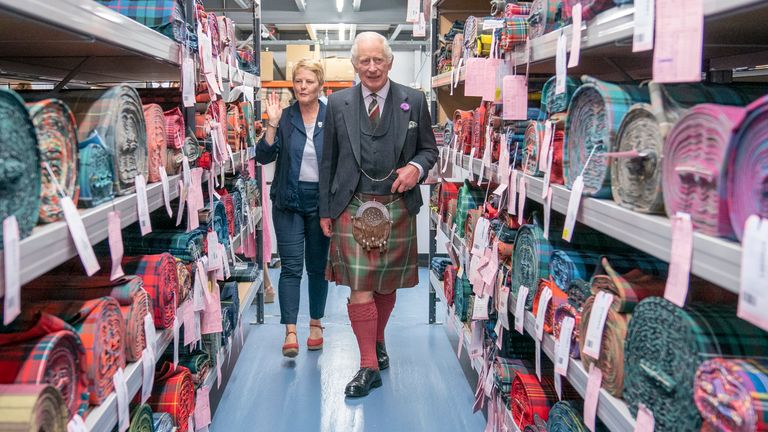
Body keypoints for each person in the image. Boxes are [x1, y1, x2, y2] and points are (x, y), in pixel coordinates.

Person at [319, 32, 438, 397]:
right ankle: (368, 365)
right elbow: (329, 161)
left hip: (397, 206)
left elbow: (429, 150)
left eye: (378, 60)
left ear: (390, 62)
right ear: (355, 65)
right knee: (360, 287)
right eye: (364, 61)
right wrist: (326, 209)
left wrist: (416, 168)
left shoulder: (414, 101)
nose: (372, 67)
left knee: (385, 284)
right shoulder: (337, 103)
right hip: (351, 205)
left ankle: (378, 339)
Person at [255, 58, 329, 358]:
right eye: (298, 81)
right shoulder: (284, 117)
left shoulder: (332, 116)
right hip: (288, 200)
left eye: (309, 81)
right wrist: (271, 124)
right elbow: (263, 156)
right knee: (292, 268)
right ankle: (290, 332)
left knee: (317, 268)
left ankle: (315, 325)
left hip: (322, 202)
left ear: (319, 84)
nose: (302, 86)